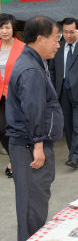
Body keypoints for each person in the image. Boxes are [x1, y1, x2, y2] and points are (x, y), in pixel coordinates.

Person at [5, 16, 64, 241]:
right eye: (55, 39)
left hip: (28, 143)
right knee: (32, 206)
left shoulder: (34, 61)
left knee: (33, 202)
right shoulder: (31, 68)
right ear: (39, 39)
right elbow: (33, 109)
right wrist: (38, 144)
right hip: (30, 145)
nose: (58, 44)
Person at [49, 17, 78, 169]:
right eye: (65, 32)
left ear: (77, 31)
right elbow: (52, 69)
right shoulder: (58, 46)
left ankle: (74, 157)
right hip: (62, 91)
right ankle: (75, 153)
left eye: (72, 32)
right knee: (68, 126)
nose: (68, 36)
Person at [0, 13, 25, 178]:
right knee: (2, 129)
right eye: (1, 27)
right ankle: (15, 159)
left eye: (7, 27)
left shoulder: (23, 47)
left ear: (13, 28)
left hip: (15, 95)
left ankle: (16, 161)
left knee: (15, 129)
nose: (4, 31)